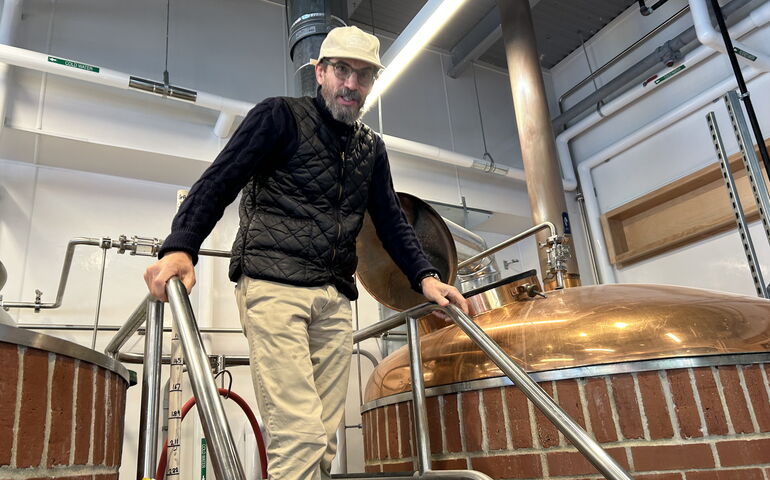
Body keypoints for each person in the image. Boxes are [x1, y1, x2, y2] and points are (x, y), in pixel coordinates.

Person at [144, 25, 468, 480]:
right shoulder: (279, 117)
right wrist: (181, 248)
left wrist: (427, 277)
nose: (351, 84)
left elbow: (392, 221)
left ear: (372, 83)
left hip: (335, 299)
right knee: (299, 435)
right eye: (341, 70)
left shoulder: (370, 149)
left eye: (363, 76)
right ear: (320, 72)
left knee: (324, 442)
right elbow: (222, 179)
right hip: (274, 287)